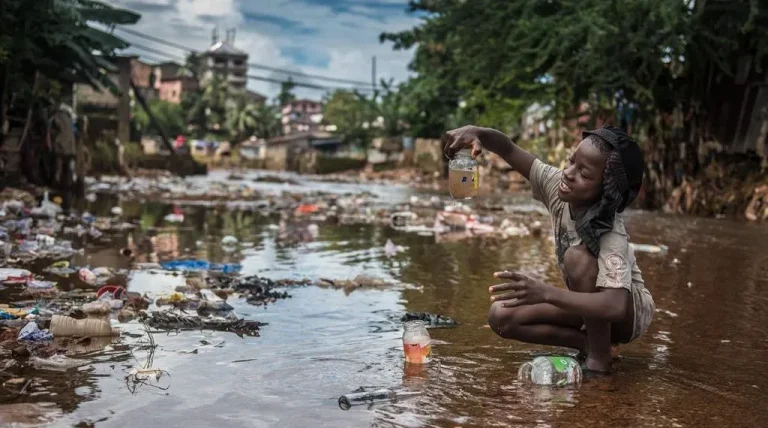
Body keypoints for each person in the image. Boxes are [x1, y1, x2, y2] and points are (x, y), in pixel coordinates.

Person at [444, 125, 655, 373]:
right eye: (571, 162)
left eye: (584, 175)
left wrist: (545, 293)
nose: (568, 173)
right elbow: (508, 149)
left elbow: (615, 305)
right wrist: (478, 133)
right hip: (591, 306)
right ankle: (589, 344)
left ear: (606, 193)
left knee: (578, 258)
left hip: (628, 316)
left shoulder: (611, 232)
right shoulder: (558, 187)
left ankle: (599, 361)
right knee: (501, 316)